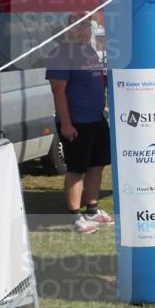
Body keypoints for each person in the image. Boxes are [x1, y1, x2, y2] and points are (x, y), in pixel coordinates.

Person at [46, 14, 114, 234]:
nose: (85, 30)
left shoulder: (90, 51)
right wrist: (66, 124)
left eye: (87, 26)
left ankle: (92, 209)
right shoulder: (60, 53)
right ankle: (75, 217)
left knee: (97, 165)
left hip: (97, 119)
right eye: (80, 26)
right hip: (77, 123)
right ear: (69, 30)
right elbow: (58, 92)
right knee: (76, 169)